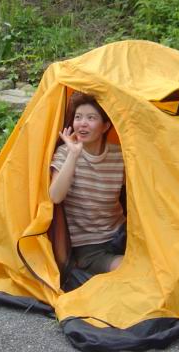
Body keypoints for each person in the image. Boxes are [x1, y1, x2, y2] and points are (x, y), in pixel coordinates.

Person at [49, 92, 125, 274]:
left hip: (121, 232)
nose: (82, 123)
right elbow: (55, 196)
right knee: (132, 269)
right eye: (78, 117)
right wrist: (73, 154)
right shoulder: (65, 153)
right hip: (89, 247)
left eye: (91, 118)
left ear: (105, 126)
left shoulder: (120, 155)